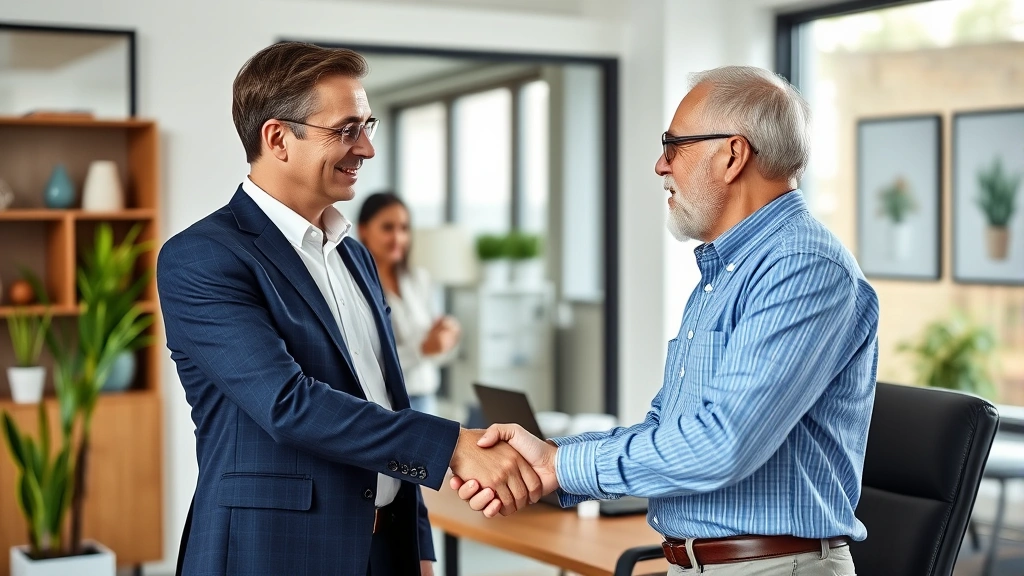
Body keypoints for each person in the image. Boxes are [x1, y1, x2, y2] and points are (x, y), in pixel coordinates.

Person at [453, 66, 880, 575]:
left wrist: (556, 466)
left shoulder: (803, 267)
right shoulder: (722, 272)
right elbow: (670, 429)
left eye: (673, 146)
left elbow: (721, 444)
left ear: (733, 154)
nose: (660, 165)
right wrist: (551, 459)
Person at [157, 42, 541, 576]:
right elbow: (287, 404)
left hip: (383, 549)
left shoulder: (353, 253)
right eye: (345, 130)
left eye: (368, 126)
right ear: (277, 138)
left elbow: (390, 400)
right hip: (268, 552)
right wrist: (453, 445)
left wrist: (419, 546)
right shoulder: (203, 256)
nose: (367, 149)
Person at [357, 192, 461, 416]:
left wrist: (447, 338)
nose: (398, 238)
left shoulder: (420, 279)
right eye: (387, 228)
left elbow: (440, 354)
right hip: (387, 405)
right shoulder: (357, 285)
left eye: (403, 228)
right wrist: (423, 348)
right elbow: (368, 361)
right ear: (363, 230)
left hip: (426, 399)